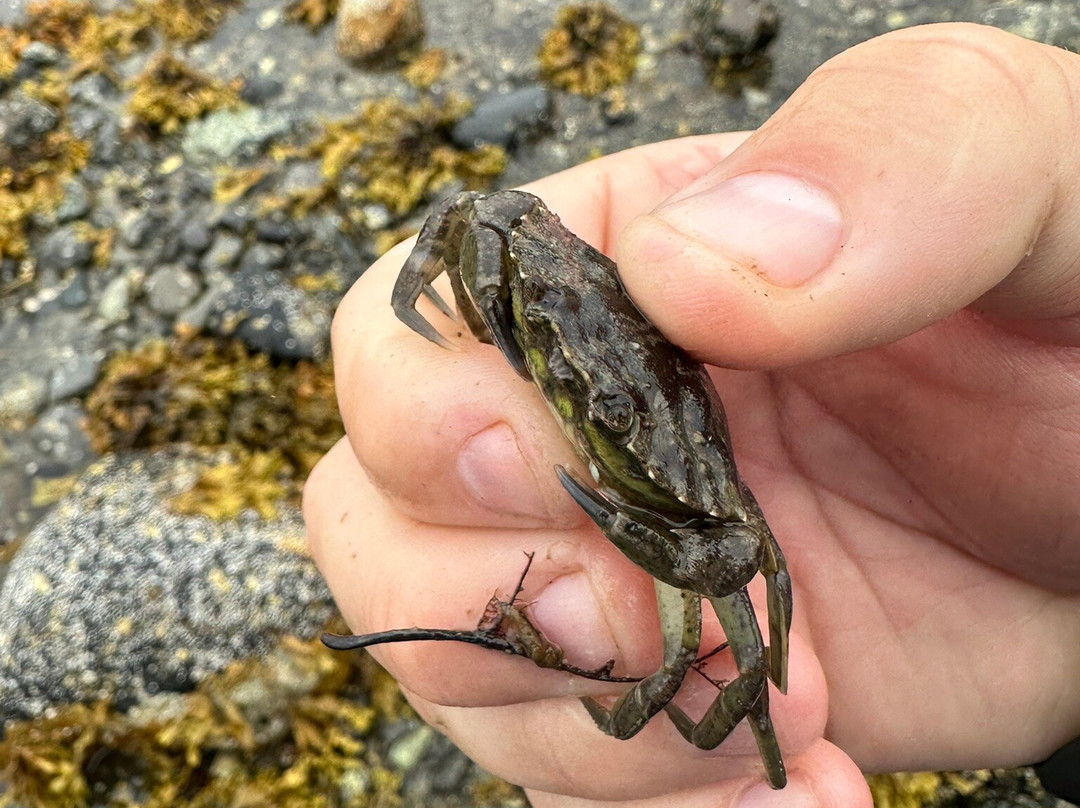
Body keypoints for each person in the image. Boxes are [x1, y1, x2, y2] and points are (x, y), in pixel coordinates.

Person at [304, 22, 1080, 808]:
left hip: (687, 476)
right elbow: (489, 212)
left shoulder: (708, 512)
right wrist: (480, 311)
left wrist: (621, 696)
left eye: (598, 419)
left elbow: (749, 579)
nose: (574, 397)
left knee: (691, 665)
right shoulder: (544, 256)